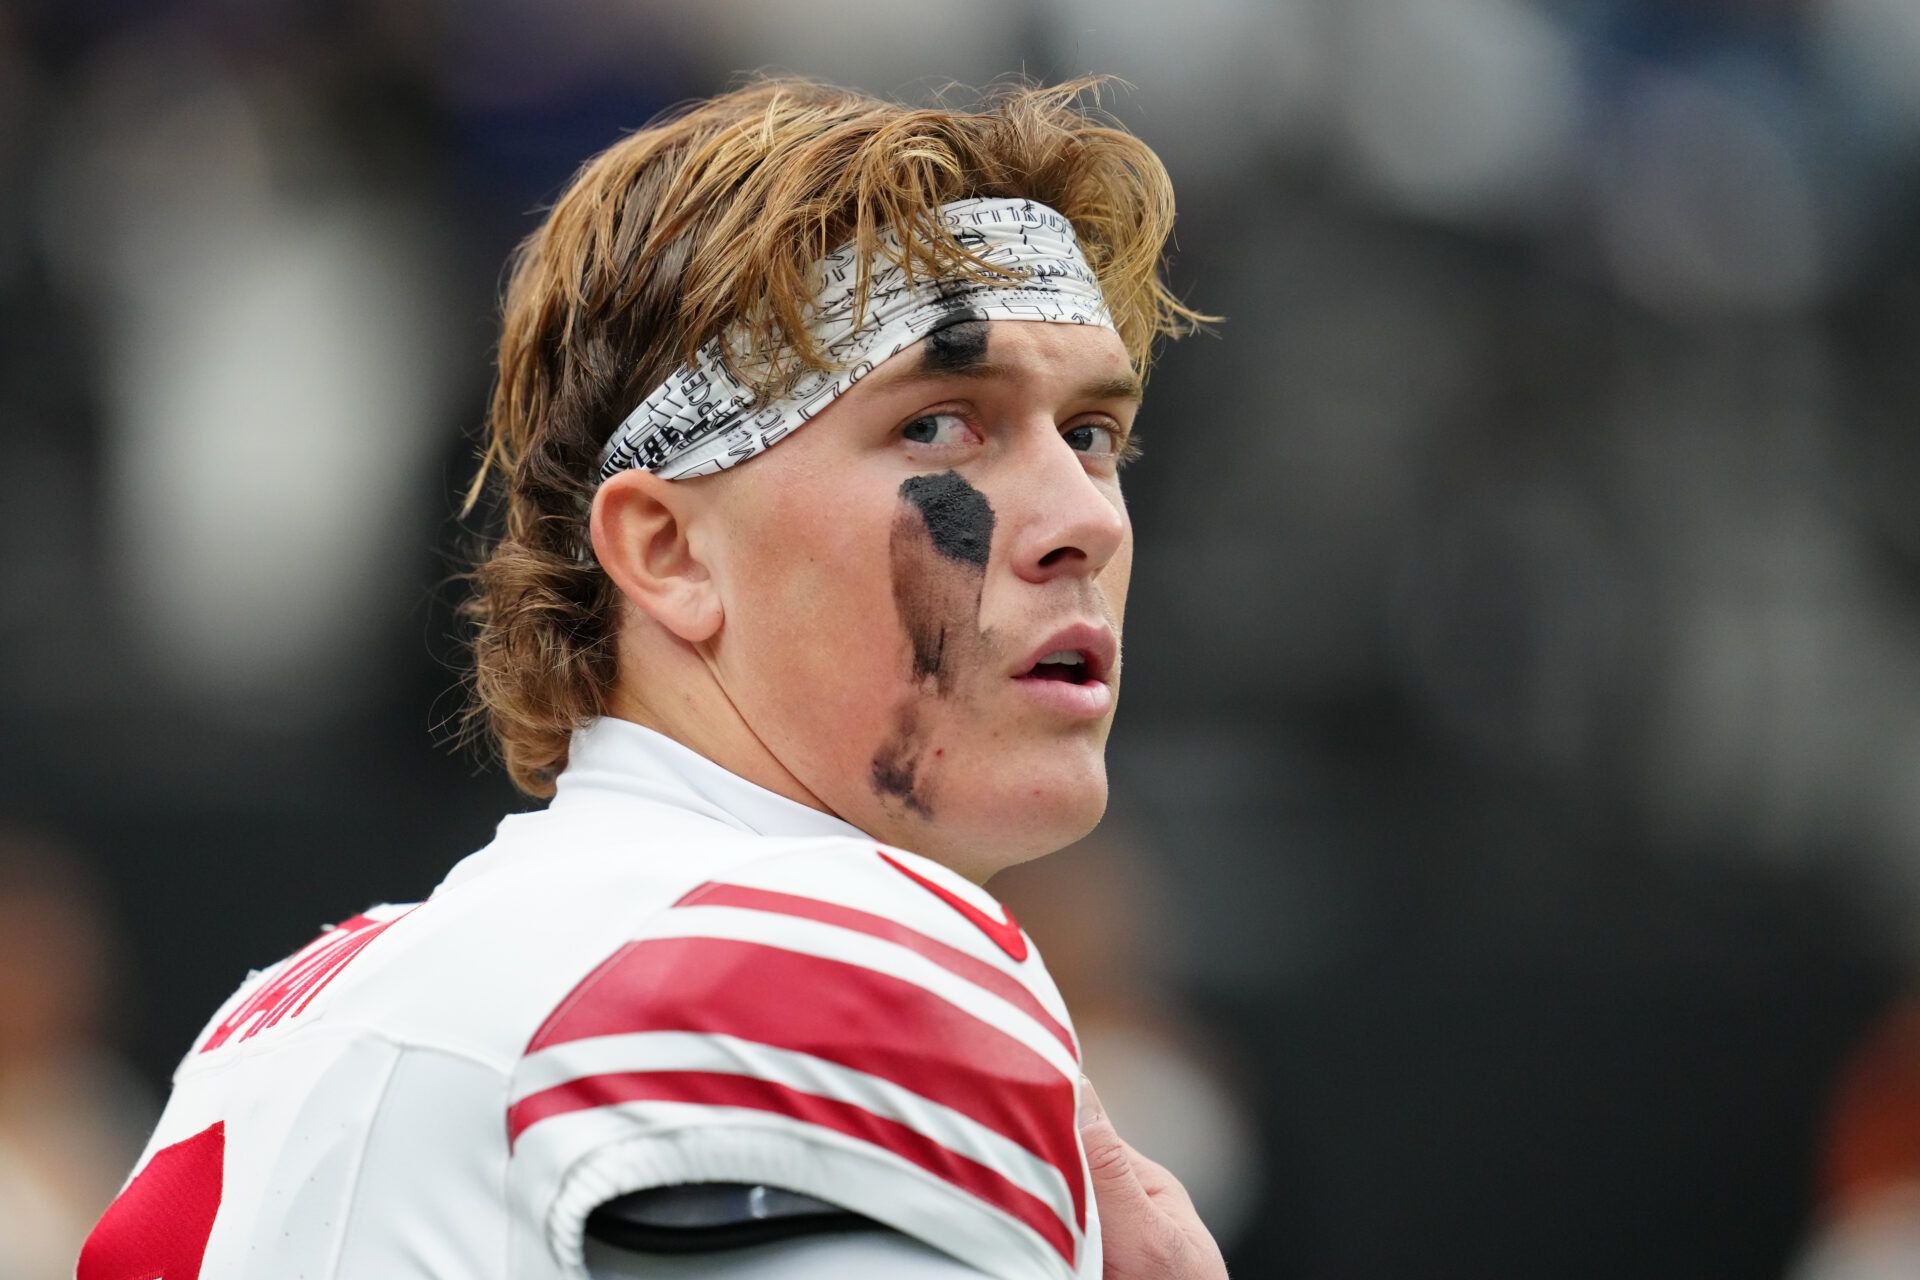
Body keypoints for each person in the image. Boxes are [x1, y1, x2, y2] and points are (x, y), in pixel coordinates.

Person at [79, 76, 1226, 1279]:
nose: (1085, 519)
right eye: (940, 423)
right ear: (668, 551)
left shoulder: (281, 1018)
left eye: (1091, 435)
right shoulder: (816, 957)